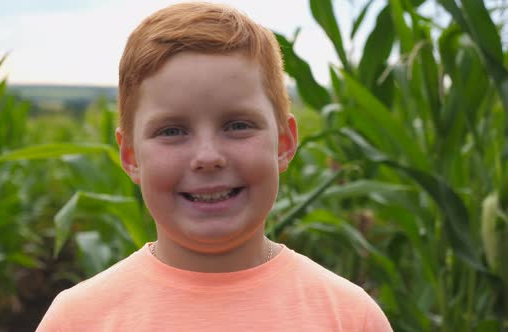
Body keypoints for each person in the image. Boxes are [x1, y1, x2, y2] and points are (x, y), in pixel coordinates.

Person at [36, 2, 392, 331]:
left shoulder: (349, 317)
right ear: (130, 156)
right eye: (172, 131)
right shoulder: (77, 320)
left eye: (237, 126)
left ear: (284, 143)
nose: (207, 157)